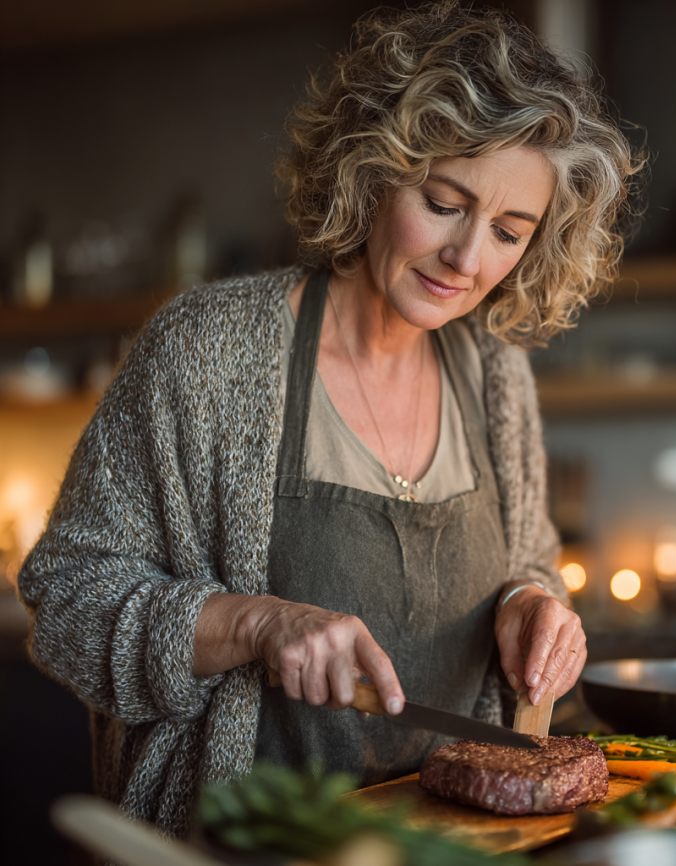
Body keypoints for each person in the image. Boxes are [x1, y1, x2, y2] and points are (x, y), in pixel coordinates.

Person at [18, 1, 640, 838]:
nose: (467, 259)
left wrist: (530, 602)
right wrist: (256, 623)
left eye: (508, 231)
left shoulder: (497, 374)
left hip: (454, 855)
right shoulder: (205, 351)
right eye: (445, 202)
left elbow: (527, 556)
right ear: (375, 168)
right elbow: (67, 601)